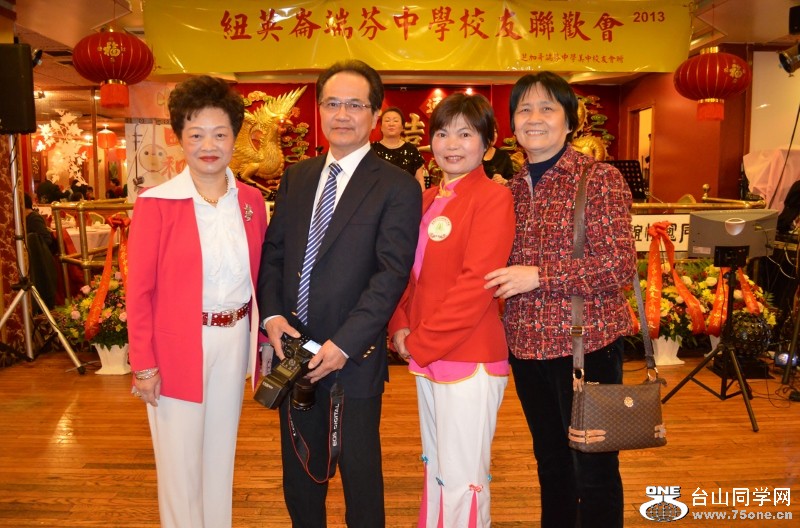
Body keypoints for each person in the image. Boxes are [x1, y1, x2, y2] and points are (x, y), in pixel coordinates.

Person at [257, 60, 421, 528]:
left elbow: (391, 274)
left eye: (355, 105)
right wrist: (272, 317)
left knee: (360, 476)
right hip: (292, 352)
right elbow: (274, 254)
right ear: (320, 109)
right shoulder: (298, 176)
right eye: (332, 103)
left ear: (375, 114)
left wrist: (344, 344)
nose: (342, 114)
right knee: (300, 474)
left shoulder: (397, 186)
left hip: (353, 357)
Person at [484, 71, 636, 528]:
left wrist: (540, 276)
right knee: (550, 464)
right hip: (527, 349)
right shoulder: (510, 191)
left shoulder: (599, 179)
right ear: (513, 124)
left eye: (547, 108)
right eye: (524, 109)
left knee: (594, 469)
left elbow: (619, 265)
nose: (534, 118)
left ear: (569, 121)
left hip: (586, 347)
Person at [126, 75, 268, 528]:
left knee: (220, 457)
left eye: (220, 134)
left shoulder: (251, 201)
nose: (209, 146)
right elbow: (139, 291)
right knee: (180, 464)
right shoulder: (157, 203)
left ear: (234, 138)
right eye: (196, 134)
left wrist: (262, 341)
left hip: (234, 341)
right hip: (178, 345)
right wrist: (144, 364)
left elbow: (261, 277)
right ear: (179, 138)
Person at [388, 93, 514, 527]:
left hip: (469, 353)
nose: (452, 144)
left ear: (487, 146)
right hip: (426, 351)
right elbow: (405, 273)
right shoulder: (425, 198)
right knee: (438, 466)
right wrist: (400, 325)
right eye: (442, 133)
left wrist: (420, 341)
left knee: (464, 477)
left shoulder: (493, 198)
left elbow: (477, 284)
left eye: (465, 134)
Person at [371, 106, 427, 189]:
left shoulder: (411, 150)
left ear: (402, 127)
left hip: (406, 195)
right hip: (378, 196)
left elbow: (419, 180)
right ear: (381, 127)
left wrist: (422, 196)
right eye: (387, 120)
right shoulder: (372, 150)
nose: (391, 124)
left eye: (396, 121)